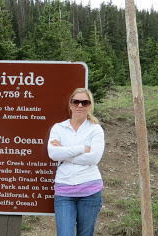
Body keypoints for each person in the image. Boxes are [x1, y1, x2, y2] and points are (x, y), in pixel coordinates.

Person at [47, 88, 105, 236]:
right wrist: (82, 148)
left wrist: (65, 152)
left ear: (90, 106)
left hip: (90, 191)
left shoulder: (96, 129)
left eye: (84, 102)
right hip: (64, 192)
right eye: (76, 101)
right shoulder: (59, 128)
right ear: (70, 105)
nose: (80, 105)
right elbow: (53, 153)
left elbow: (94, 158)